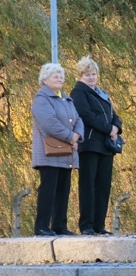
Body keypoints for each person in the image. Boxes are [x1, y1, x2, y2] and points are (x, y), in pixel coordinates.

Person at [70, 56, 123, 236]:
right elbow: (86, 115)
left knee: (103, 185)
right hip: (90, 144)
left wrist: (117, 127)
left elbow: (113, 114)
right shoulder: (79, 92)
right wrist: (109, 129)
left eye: (93, 74)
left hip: (106, 146)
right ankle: (86, 225)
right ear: (80, 76)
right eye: (87, 75)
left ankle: (99, 225)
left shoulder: (102, 93)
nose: (91, 77)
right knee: (88, 185)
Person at [31, 63, 84, 236]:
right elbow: (49, 123)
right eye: (56, 76)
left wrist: (77, 135)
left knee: (63, 189)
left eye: (61, 76)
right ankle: (41, 226)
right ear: (45, 79)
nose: (60, 79)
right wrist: (70, 137)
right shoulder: (41, 98)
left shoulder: (66, 99)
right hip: (49, 152)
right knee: (48, 189)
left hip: (66, 153)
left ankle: (59, 225)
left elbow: (78, 120)